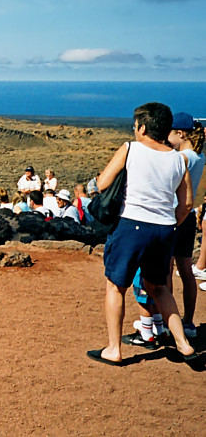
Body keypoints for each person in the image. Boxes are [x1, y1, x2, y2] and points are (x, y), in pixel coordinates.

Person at [87, 102, 195, 366]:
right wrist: (172, 224)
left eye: (136, 125)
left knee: (116, 285)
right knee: (159, 287)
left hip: (131, 226)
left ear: (143, 127)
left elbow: (103, 183)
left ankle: (114, 348)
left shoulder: (130, 149)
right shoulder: (179, 160)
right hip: (164, 229)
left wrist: (92, 188)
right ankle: (183, 343)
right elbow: (187, 204)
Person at [166, 112, 204, 338]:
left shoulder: (181, 158)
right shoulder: (200, 156)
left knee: (167, 270)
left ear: (180, 133)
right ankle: (188, 322)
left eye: (171, 133)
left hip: (173, 214)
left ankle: (167, 321)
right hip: (189, 215)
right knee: (186, 270)